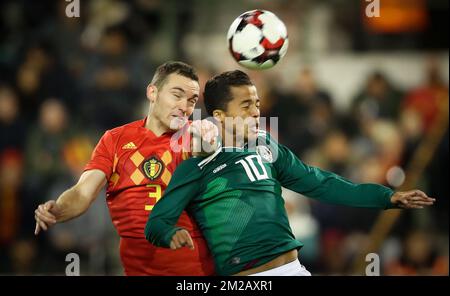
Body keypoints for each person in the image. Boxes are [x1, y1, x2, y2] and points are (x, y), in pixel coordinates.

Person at [145, 70, 435, 276]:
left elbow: (322, 184)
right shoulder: (196, 166)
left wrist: (387, 196)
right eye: (245, 106)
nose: (256, 112)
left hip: (295, 269)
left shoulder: (266, 147)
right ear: (220, 116)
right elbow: (156, 222)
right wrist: (171, 233)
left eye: (257, 104)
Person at [34, 61, 215, 275]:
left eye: (192, 100)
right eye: (177, 95)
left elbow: (208, 146)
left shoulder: (195, 136)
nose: (185, 106)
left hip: (194, 273)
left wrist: (208, 145)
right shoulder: (115, 140)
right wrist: (59, 209)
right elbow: (83, 192)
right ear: (152, 92)